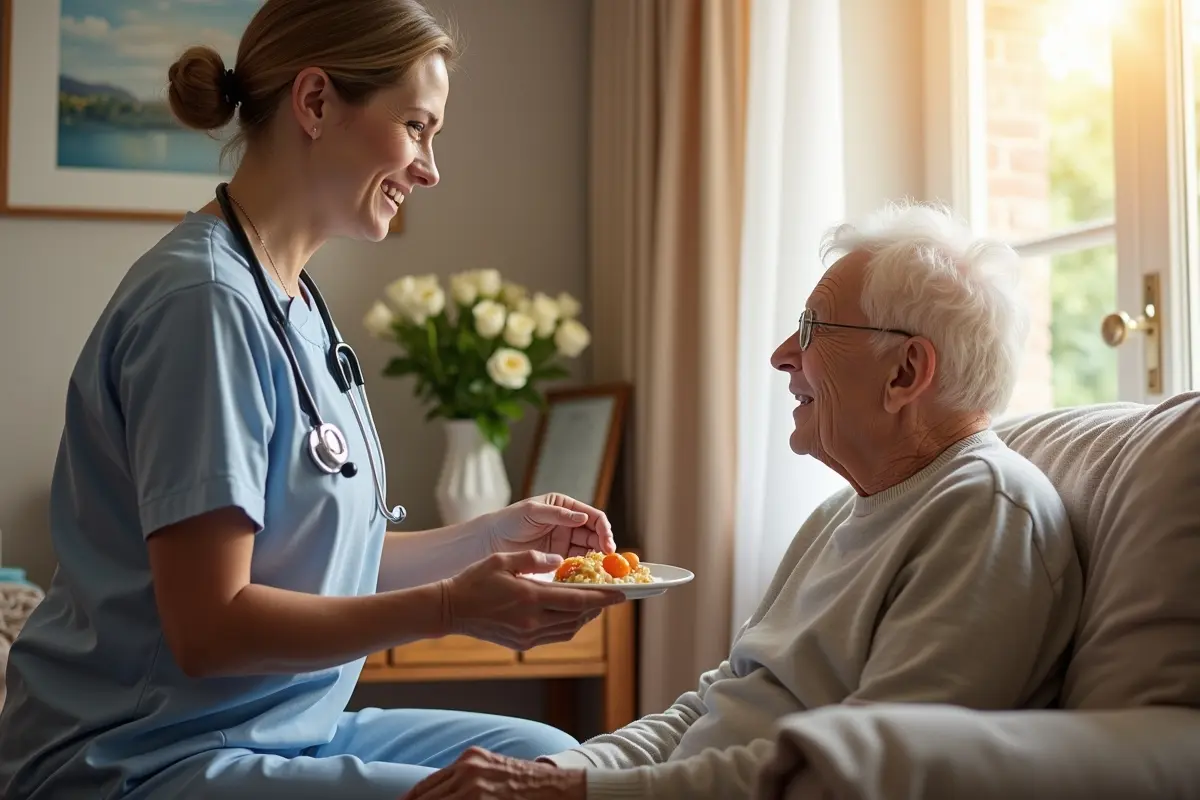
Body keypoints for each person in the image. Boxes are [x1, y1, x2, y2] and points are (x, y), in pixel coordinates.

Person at [0, 2, 625, 798]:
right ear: (317, 102)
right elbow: (209, 628)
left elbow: (319, 559)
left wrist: (490, 536)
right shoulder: (204, 305)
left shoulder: (290, 297)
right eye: (416, 127)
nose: (430, 169)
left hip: (273, 726)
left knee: (552, 758)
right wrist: (448, 609)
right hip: (138, 755)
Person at [400, 201, 1085, 800]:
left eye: (812, 330)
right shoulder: (839, 514)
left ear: (905, 371)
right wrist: (556, 773)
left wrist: (574, 791)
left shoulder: (986, 514)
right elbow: (710, 707)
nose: (782, 355)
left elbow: (856, 772)